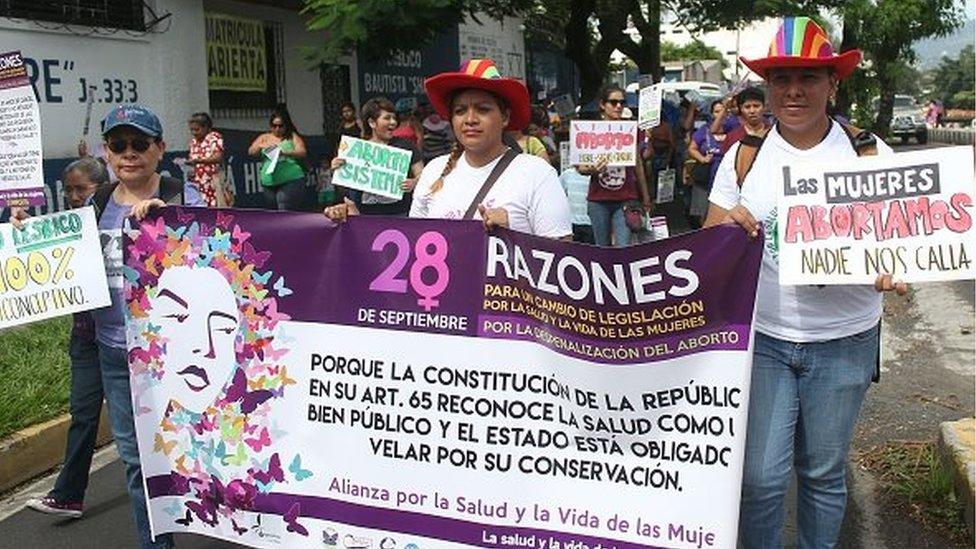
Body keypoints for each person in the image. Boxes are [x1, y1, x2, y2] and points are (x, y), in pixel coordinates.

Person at [703, 17, 906, 548]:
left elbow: (903, 241)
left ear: (833, 85)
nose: (794, 91)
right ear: (767, 88)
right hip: (764, 339)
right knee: (760, 478)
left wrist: (896, 269)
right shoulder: (744, 157)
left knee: (821, 474)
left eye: (809, 78)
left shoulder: (869, 155)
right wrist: (732, 229)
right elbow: (706, 243)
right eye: (781, 79)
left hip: (846, 340)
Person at [125, 212, 304, 534]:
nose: (203, 347)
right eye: (178, 318)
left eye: (222, 329)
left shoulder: (270, 435)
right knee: (138, 463)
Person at [89, 104, 203, 549]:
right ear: (106, 152)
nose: (129, 153)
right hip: (115, 351)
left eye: (140, 144)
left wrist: (169, 226)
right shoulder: (95, 204)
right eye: (119, 145)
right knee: (137, 462)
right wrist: (23, 233)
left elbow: (218, 263)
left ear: (160, 150)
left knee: (193, 454)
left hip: (175, 351)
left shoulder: (183, 198)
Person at [325, 58, 571, 239]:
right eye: (460, 110)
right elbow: (410, 245)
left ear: (505, 117)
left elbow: (563, 261)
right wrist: (356, 221)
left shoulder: (537, 174)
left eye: (483, 109)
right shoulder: (433, 172)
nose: (470, 119)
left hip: (504, 308)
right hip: (441, 307)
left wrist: (514, 231)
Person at [24, 158, 109, 519]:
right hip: (85, 337)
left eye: (82, 189)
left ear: (101, 188)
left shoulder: (114, 220)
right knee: (84, 415)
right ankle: (69, 494)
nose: (74, 197)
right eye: (69, 190)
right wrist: (24, 232)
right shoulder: (65, 227)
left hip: (121, 340)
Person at [577, 85, 652, 247]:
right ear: (602, 105)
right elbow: (580, 167)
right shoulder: (591, 131)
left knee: (623, 248)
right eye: (613, 102)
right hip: (598, 200)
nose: (619, 106)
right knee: (602, 248)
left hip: (626, 199)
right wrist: (593, 169)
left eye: (622, 102)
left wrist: (645, 196)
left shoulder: (630, 129)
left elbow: (639, 163)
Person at [331, 97, 423, 216]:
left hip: (399, 213)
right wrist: (336, 169)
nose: (393, 122)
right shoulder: (356, 149)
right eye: (387, 118)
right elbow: (344, 185)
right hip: (365, 214)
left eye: (394, 118)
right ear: (372, 123)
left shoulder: (406, 145)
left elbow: (422, 174)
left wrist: (414, 182)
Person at [248, 106, 307, 211]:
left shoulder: (292, 136)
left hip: (290, 179)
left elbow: (302, 152)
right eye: (274, 126)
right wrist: (260, 146)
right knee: (273, 211)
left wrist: (285, 153)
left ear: (286, 125)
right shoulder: (264, 138)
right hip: (269, 182)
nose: (277, 129)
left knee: (283, 203)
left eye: (281, 126)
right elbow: (251, 151)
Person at [686, 100, 728, 224]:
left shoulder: (733, 128)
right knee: (703, 212)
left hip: (726, 175)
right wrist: (703, 159)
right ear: (712, 114)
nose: (720, 114)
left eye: (723, 111)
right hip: (707, 174)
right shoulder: (704, 130)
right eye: (716, 111)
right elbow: (692, 148)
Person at [186, 112, 227, 207]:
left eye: (197, 129)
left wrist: (199, 161)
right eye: (191, 130)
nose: (194, 133)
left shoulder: (214, 138)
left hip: (213, 184)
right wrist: (192, 171)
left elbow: (218, 157)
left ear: (206, 127)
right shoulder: (193, 142)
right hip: (198, 185)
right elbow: (194, 162)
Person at [719, 87, 770, 154]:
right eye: (747, 107)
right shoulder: (732, 138)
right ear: (741, 109)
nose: (752, 111)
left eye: (756, 106)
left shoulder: (774, 134)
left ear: (764, 107)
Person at [558, 165, 593, 243]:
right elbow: (558, 196)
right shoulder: (567, 174)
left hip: (591, 223)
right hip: (571, 223)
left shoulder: (595, 176)